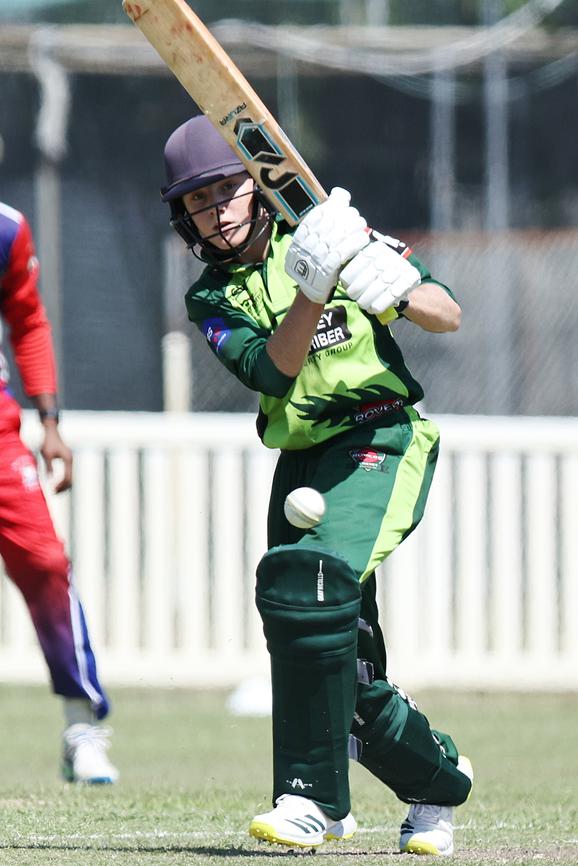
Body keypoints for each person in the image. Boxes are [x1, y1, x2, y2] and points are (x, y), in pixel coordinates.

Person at [161, 114, 472, 856]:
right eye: (197, 203)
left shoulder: (336, 232)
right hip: (301, 462)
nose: (215, 213)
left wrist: (381, 276)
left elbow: (447, 313)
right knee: (332, 662)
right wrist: (314, 284)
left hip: (378, 435)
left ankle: (312, 804)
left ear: (259, 188)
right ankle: (438, 784)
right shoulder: (212, 299)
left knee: (311, 592)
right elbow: (274, 371)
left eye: (225, 193)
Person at [0, 200, 118, 784]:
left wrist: (49, 423)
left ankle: (81, 728)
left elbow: (26, 321)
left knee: (47, 563)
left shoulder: (5, 228)